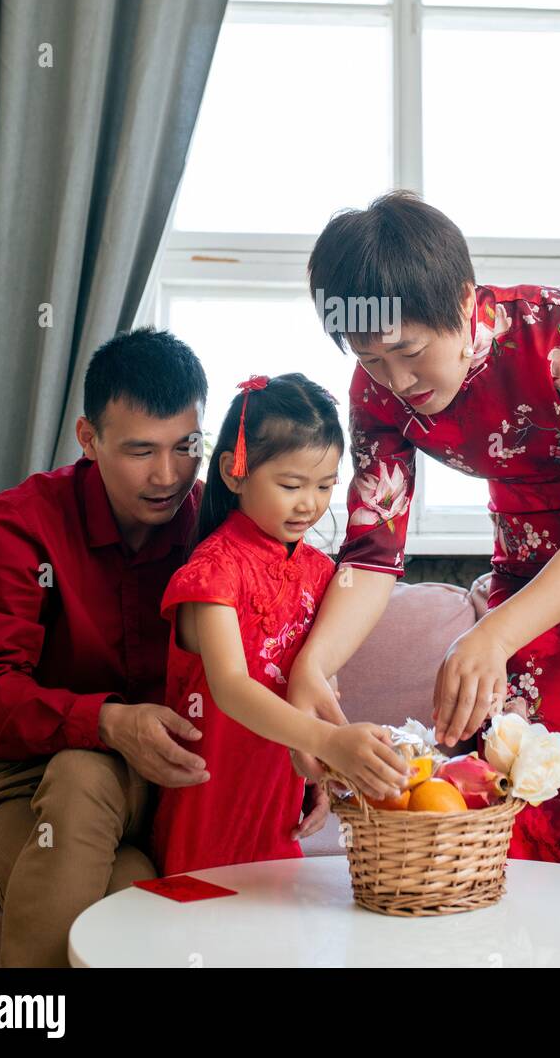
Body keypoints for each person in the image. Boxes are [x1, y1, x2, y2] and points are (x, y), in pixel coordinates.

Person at [287, 190, 560, 902]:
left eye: (409, 352)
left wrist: (491, 636)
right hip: (529, 568)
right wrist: (315, 664)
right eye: (371, 360)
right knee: (515, 802)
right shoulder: (377, 394)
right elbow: (373, 551)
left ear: (464, 300)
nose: (397, 383)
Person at [0, 327, 213, 968]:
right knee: (125, 879)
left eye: (185, 447)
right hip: (31, 785)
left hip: (170, 792)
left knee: (132, 897)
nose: (167, 475)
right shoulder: (20, 523)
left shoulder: (214, 526)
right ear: (88, 438)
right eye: (140, 451)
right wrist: (106, 722)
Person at [150, 372, 409, 878]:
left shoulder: (319, 570)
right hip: (209, 798)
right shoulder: (214, 570)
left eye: (325, 486)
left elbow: (319, 679)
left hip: (277, 800)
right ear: (233, 471)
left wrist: (326, 769)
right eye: (290, 485)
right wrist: (327, 741)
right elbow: (230, 688)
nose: (310, 503)